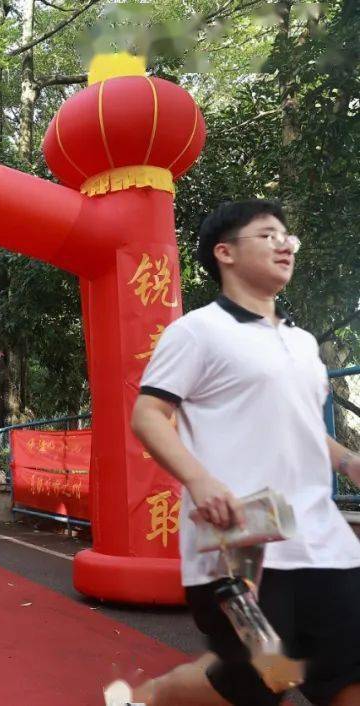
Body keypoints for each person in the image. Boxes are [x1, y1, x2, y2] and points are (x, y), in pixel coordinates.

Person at [120, 200, 360, 706]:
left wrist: (347, 462)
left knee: (348, 674)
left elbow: (304, 428)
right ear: (224, 253)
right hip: (242, 540)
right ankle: (153, 697)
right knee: (263, 678)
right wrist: (200, 480)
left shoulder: (303, 344)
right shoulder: (198, 331)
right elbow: (147, 415)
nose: (284, 245)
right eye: (268, 235)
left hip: (324, 538)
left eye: (287, 237)